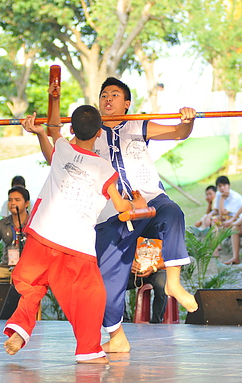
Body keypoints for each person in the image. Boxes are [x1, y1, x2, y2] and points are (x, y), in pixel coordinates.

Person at [4, 102, 147, 364]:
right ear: (99, 132)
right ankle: (89, 350)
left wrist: (42, 128)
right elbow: (120, 207)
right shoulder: (104, 168)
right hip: (74, 242)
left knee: (33, 285)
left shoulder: (62, 148)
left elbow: (54, 130)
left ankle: (20, 329)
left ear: (72, 128)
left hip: (42, 233)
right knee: (90, 295)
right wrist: (138, 206)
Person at [93, 77, 198, 353]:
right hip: (112, 213)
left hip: (149, 200)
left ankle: (173, 282)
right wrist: (42, 134)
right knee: (108, 280)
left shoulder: (140, 124)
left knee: (172, 211)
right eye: (104, 95)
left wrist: (188, 121)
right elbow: (59, 155)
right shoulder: (89, 132)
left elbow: (178, 132)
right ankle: (116, 336)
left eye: (114, 95)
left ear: (126, 104)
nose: (108, 99)